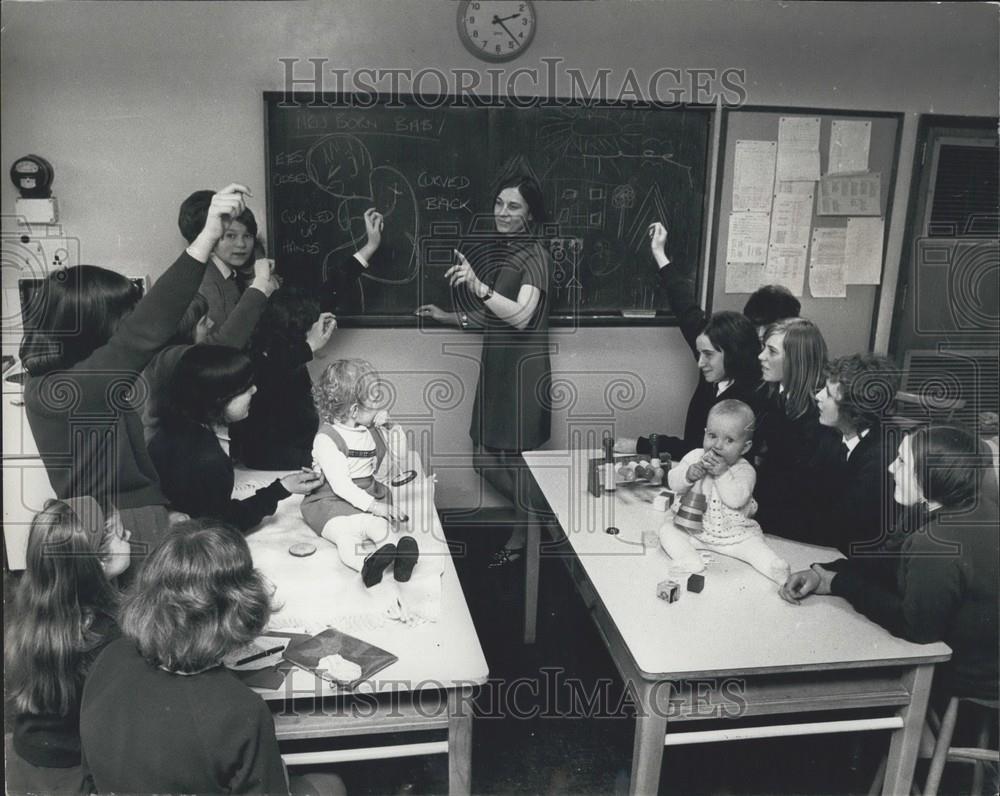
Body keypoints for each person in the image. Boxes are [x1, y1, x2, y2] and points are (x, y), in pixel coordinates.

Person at [20, 183, 251, 558]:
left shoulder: (55, 381)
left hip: (128, 522)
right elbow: (145, 329)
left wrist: (162, 512)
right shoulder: (64, 389)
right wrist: (208, 236)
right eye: (124, 317)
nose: (130, 324)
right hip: (118, 532)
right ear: (92, 324)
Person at [79, 520, 345, 795]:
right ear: (235, 611)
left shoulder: (109, 657)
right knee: (330, 784)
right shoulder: (241, 710)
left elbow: (90, 774)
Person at [781, 425, 999, 703]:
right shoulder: (955, 505)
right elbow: (888, 561)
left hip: (974, 680)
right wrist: (826, 573)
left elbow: (916, 628)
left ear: (931, 475)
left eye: (903, 461)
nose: (891, 469)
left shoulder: (935, 541)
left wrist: (840, 583)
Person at [416, 172, 552, 567]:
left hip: (521, 376)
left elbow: (523, 317)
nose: (503, 212)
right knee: (484, 457)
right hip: (498, 372)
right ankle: (539, 519)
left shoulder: (535, 255)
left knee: (512, 460)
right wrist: (449, 317)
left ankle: (526, 531)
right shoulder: (511, 252)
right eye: (498, 203)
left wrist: (479, 288)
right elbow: (497, 314)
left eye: (514, 206)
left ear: (530, 214)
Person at [6, 497, 130, 795]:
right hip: (74, 773)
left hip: (22, 761)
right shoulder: (107, 634)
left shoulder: (28, 615)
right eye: (123, 536)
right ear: (98, 562)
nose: (131, 538)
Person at [148, 345, 321, 532]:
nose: (254, 390)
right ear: (218, 399)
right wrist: (278, 491)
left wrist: (285, 484)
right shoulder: (204, 459)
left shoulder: (182, 426)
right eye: (245, 388)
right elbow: (222, 524)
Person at [301, 358, 421, 588]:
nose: (381, 407)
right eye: (375, 401)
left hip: (365, 495)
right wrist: (376, 507)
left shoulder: (370, 430)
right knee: (344, 535)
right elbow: (341, 486)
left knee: (381, 527)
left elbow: (401, 455)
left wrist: (392, 427)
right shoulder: (327, 439)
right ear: (355, 410)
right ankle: (366, 564)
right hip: (330, 500)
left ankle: (400, 561)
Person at [658, 400, 790, 584]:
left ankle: (774, 568)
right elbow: (673, 482)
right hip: (693, 530)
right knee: (667, 530)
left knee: (754, 547)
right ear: (705, 434)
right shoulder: (695, 456)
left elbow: (736, 500)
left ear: (745, 447)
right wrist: (687, 475)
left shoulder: (745, 470)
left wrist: (722, 474)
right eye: (712, 435)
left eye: (729, 440)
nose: (717, 445)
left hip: (733, 534)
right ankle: (688, 558)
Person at [141, 267, 279, 443]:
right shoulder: (170, 358)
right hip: (167, 445)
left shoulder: (163, 356)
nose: (211, 324)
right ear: (185, 328)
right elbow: (227, 341)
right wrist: (259, 288)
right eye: (203, 322)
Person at [753, 317, 843, 540]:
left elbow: (804, 496)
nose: (761, 356)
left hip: (794, 531)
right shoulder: (773, 395)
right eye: (763, 348)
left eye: (772, 351)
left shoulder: (819, 422)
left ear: (796, 361)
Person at [230, 288, 336, 469]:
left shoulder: (285, 351)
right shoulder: (264, 357)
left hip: (292, 452)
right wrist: (309, 346)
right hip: (272, 458)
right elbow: (272, 372)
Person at [810, 353, 901, 553]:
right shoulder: (831, 435)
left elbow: (854, 529)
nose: (818, 396)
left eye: (829, 394)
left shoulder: (882, 458)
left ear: (854, 410)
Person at [177, 189, 277, 331]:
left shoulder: (229, 273)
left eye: (247, 236)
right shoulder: (207, 282)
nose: (241, 244)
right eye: (231, 236)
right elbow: (226, 335)